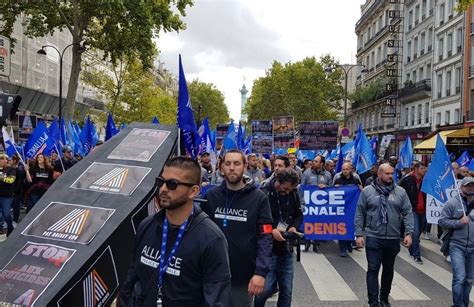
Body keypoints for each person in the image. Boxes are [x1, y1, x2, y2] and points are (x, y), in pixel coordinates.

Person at [119, 156, 231, 306]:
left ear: (193, 191)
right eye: (161, 182)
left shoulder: (211, 239)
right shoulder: (147, 226)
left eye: (172, 184)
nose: (163, 189)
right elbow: (132, 278)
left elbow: (217, 300)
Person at [202, 149, 273, 307]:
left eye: (236, 163)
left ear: (245, 166)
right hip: (210, 274)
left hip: (242, 277)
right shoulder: (211, 196)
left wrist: (260, 272)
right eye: (227, 164)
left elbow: (265, 237)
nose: (232, 168)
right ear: (221, 168)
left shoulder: (259, 198)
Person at [355, 163, 414, 307]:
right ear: (379, 174)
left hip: (393, 237)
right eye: (387, 173)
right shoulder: (367, 192)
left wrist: (409, 233)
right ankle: (373, 301)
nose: (390, 176)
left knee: (388, 270)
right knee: (373, 269)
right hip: (374, 236)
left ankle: (384, 298)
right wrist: (359, 234)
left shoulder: (400, 192)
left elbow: (407, 212)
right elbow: (360, 213)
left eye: (392, 173)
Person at [255, 169, 302, 307]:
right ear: (278, 181)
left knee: (286, 290)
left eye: (290, 189)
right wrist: (271, 231)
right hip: (267, 250)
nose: (287, 192)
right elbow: (256, 220)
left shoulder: (293, 193)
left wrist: (294, 227)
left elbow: (299, 214)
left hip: (286, 248)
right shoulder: (262, 192)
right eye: (285, 188)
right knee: (264, 290)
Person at [438, 176, 474, 307]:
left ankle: (464, 303)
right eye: (467, 186)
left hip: (473, 247)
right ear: (461, 187)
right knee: (459, 278)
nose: (470, 188)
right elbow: (442, 221)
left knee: (469, 280)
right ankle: (458, 305)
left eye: (472, 186)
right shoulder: (452, 203)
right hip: (457, 245)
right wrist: (459, 222)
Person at [301, 155, 333, 253]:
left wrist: (326, 186)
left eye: (316, 161)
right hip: (308, 204)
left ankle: (316, 245)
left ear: (321, 164)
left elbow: (331, 188)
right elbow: (302, 187)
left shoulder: (327, 174)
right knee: (308, 224)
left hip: (321, 205)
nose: (313, 163)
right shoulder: (306, 173)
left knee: (319, 225)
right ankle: (306, 242)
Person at [398, 161, 427, 264]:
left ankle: (411, 248)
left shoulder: (427, 181)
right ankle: (417, 255)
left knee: (419, 232)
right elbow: (399, 192)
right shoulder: (407, 180)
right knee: (415, 231)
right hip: (411, 209)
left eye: (425, 168)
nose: (424, 170)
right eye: (422, 168)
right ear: (416, 169)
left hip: (423, 210)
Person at [334, 162, 362, 257]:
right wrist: (335, 188)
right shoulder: (338, 179)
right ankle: (343, 248)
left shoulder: (355, 179)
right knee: (342, 227)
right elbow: (332, 192)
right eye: (343, 169)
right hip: (341, 207)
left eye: (347, 169)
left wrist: (360, 188)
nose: (345, 171)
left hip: (351, 208)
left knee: (350, 226)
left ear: (351, 169)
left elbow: (360, 190)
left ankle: (349, 242)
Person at [0, 154, 17, 236]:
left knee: (6, 214)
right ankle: (1, 228)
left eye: (4, 159)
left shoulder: (11, 169)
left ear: (7, 160)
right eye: (1, 159)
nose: (3, 160)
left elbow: (11, 180)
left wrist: (1, 177)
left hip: (7, 195)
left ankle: (10, 227)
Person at [10, 154, 25, 224]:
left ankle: (15, 220)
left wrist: (15, 191)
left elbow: (20, 183)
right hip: (9, 192)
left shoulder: (19, 170)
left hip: (16, 193)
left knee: (16, 207)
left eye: (10, 160)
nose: (9, 161)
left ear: (14, 161)